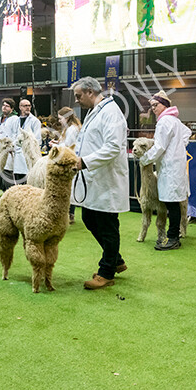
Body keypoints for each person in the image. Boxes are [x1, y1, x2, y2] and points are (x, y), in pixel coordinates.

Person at [71, 77, 129, 289]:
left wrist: (84, 161)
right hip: (95, 178)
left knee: (107, 226)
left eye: (78, 96)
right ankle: (116, 260)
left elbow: (113, 147)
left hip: (107, 180)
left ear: (89, 92)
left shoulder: (110, 112)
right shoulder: (95, 112)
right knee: (89, 217)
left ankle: (106, 272)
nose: (77, 100)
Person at [139, 91, 191, 250]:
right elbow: (187, 133)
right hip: (174, 167)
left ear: (164, 105)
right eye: (151, 106)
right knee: (174, 202)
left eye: (156, 105)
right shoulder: (174, 120)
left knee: (172, 203)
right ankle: (173, 236)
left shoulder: (164, 122)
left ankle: (173, 238)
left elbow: (159, 146)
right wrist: (179, 147)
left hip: (170, 168)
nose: (153, 108)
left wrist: (145, 159)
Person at [53, 106, 82, 223]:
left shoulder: (71, 130)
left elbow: (69, 146)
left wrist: (56, 147)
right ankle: (69, 214)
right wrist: (58, 143)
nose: (59, 121)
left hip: (69, 161)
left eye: (61, 118)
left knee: (69, 187)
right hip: (68, 159)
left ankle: (70, 214)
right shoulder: (69, 128)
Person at [3, 98, 41, 187]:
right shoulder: (16, 121)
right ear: (20, 107)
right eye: (25, 106)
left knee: (28, 180)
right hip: (17, 154)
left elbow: (37, 139)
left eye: (29, 106)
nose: (27, 108)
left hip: (29, 155)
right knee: (18, 180)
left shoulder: (35, 121)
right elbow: (13, 136)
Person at [0, 98, 18, 190]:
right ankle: (3, 192)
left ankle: (11, 193)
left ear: (12, 109)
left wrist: (11, 146)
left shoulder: (15, 119)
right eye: (3, 105)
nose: (4, 108)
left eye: (7, 106)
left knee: (7, 173)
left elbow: (16, 135)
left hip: (8, 150)